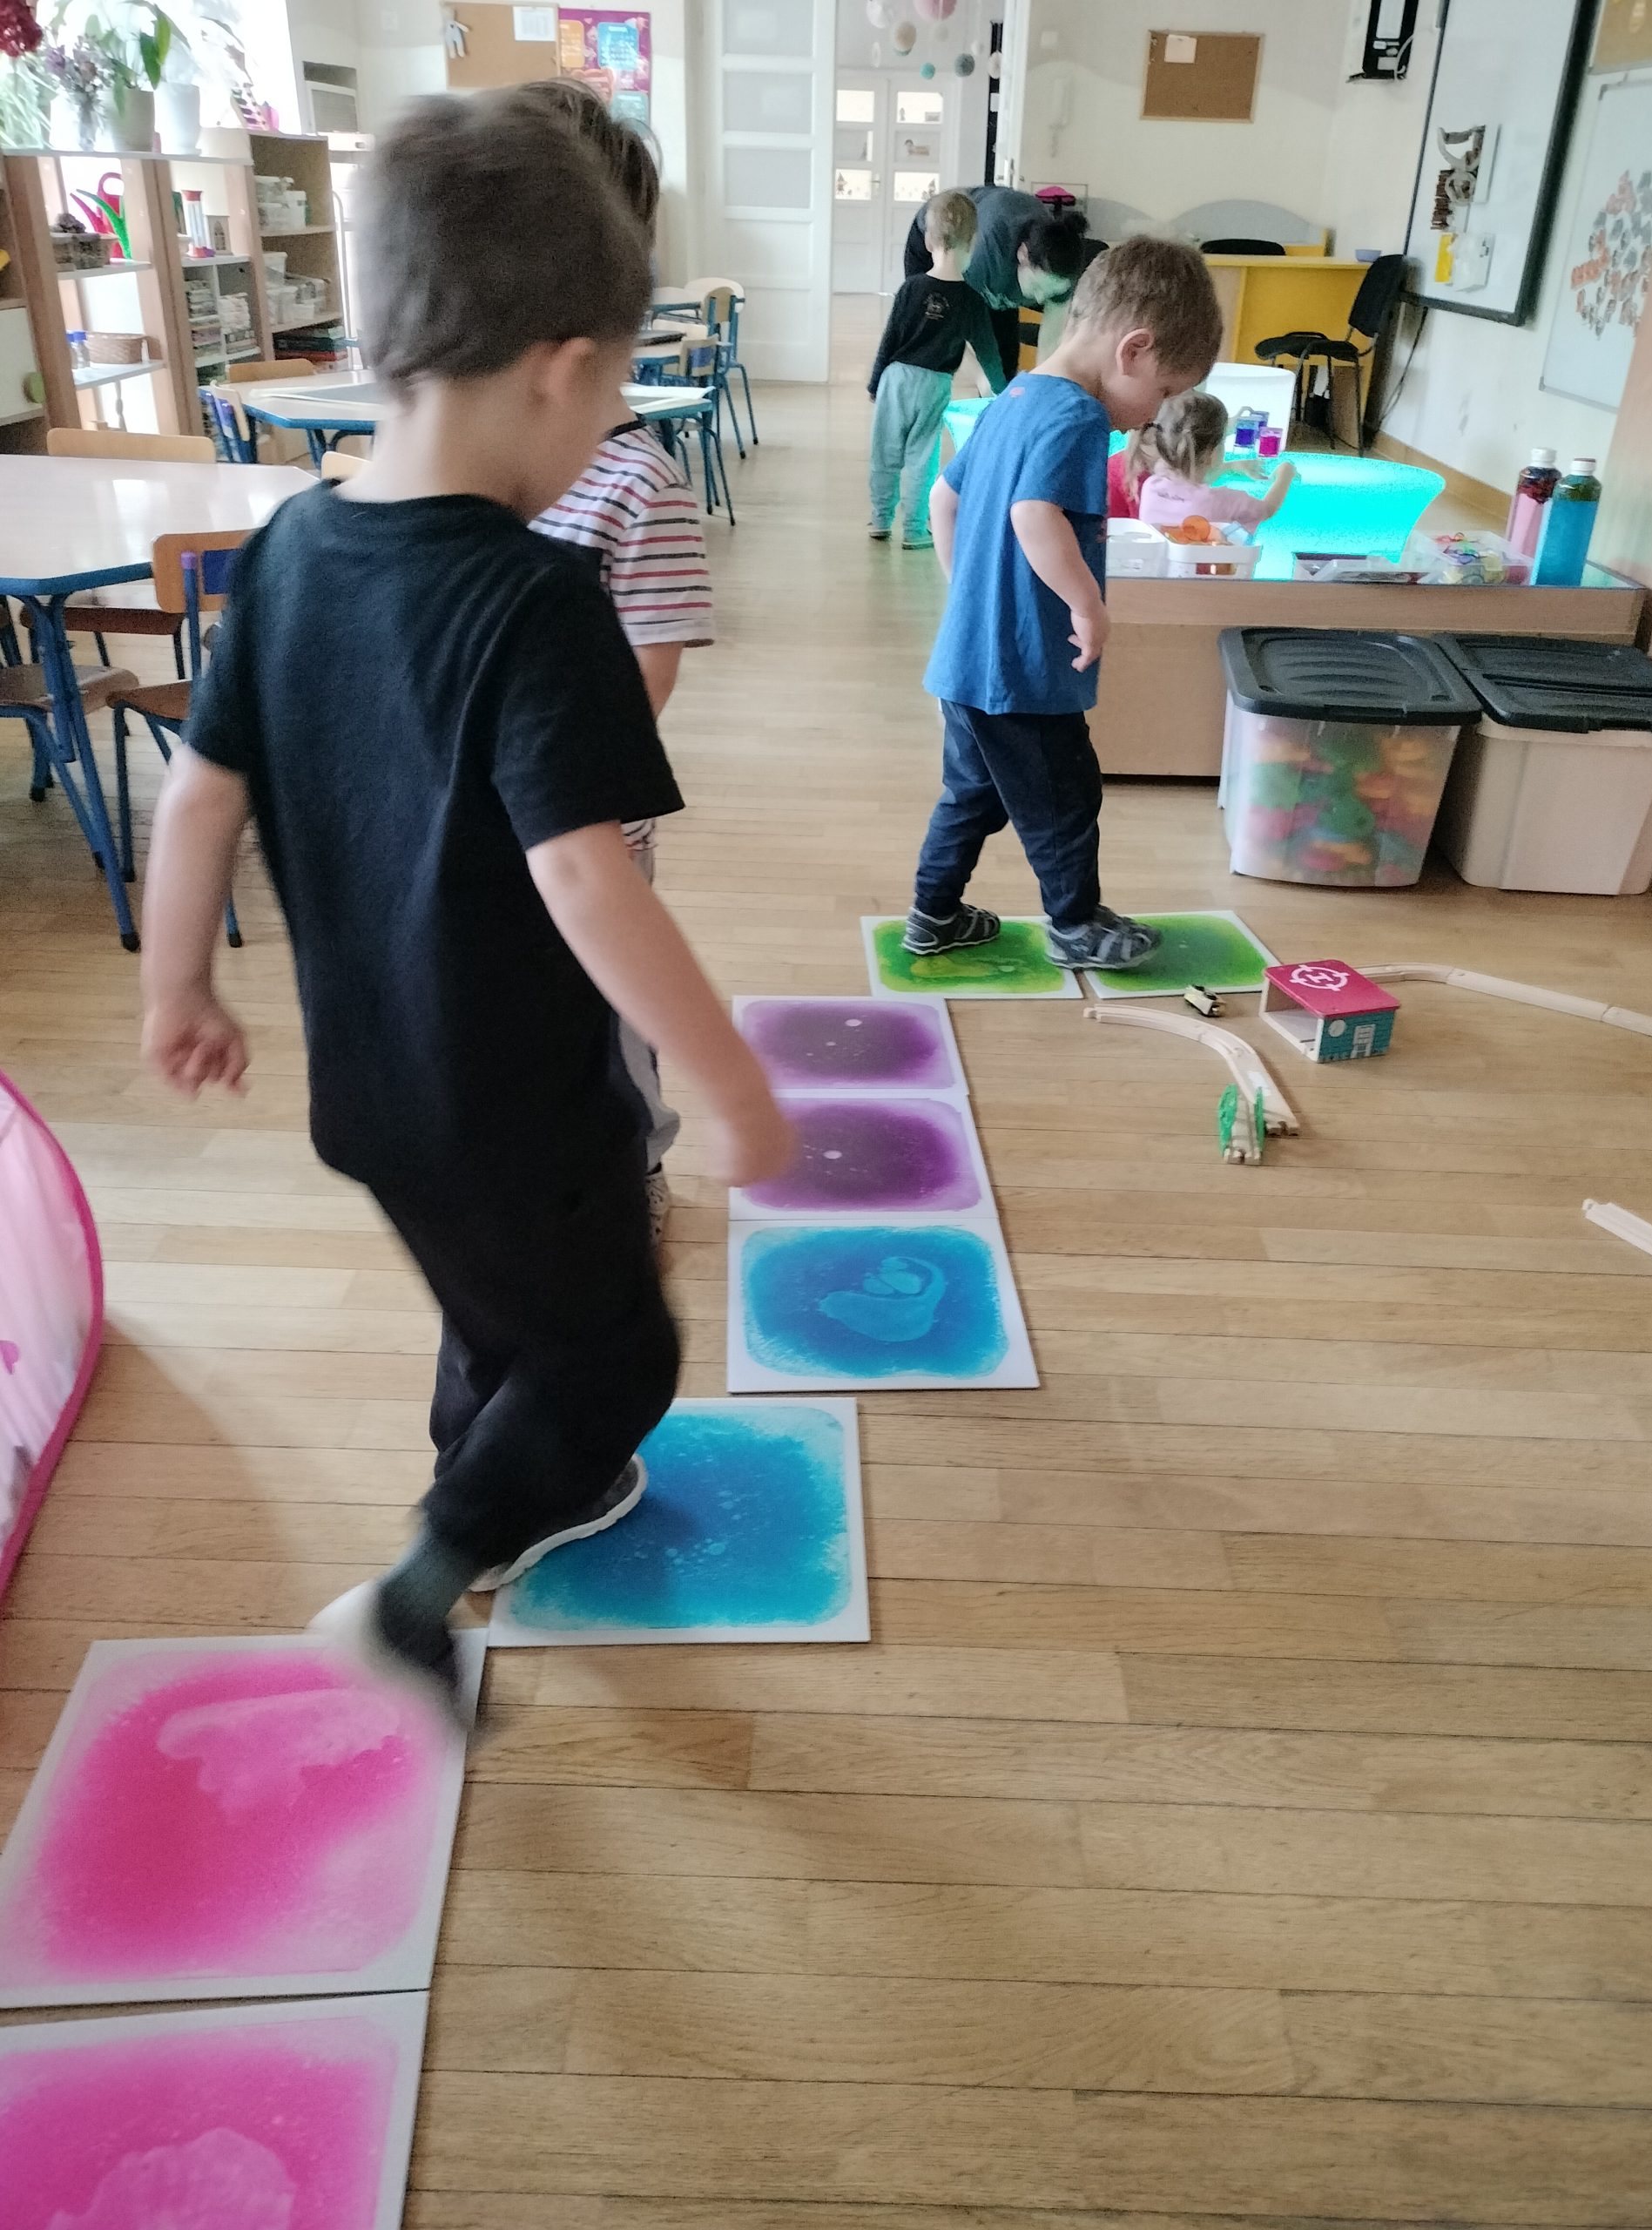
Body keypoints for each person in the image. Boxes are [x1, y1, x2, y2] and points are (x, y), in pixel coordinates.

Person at [138, 86, 792, 1720]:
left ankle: (489, 1471)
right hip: (523, 1105)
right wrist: (728, 1082)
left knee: (492, 1306)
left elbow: (198, 795)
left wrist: (176, 988)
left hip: (367, 1095)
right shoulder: (537, 599)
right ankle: (423, 1585)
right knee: (616, 1355)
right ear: (561, 370)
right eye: (616, 388)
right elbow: (585, 874)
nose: (611, 426)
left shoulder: (288, 550)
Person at [901, 237, 1222, 972]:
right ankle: (1074, 924)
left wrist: (968, 592)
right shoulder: (1078, 416)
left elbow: (943, 498)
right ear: (1133, 350)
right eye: (1166, 391)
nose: (1154, 416)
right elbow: (1033, 513)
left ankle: (933, 915)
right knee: (1065, 799)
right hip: (1025, 670)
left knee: (972, 795)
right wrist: (1087, 604)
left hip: (967, 659)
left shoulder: (1012, 398)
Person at [525, 80, 714, 1248]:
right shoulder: (465, 471)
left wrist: (562, 795)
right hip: (481, 833)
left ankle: (637, 1156)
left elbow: (647, 673)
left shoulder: (638, 481)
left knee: (609, 997)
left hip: (589, 814)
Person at [867, 189, 1004, 549]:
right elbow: (988, 350)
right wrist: (1002, 390)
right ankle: (914, 530)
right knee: (921, 458)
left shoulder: (910, 288)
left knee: (884, 453)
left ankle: (880, 520)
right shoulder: (972, 299)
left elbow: (890, 338)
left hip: (896, 379)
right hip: (934, 384)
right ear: (972, 243)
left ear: (928, 241)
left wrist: (875, 382)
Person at [904, 184, 1088, 385]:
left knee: (1003, 370)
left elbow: (1050, 340)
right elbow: (946, 327)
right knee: (930, 342)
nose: (1039, 299)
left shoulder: (1061, 271)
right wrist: (981, 377)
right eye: (1037, 288)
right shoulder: (979, 257)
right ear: (1023, 255)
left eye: (1050, 293)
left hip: (1000, 267)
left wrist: (1040, 386)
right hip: (937, 237)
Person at [1135, 389, 1297, 532]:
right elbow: (1267, 509)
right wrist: (1286, 474)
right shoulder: (1222, 501)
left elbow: (1188, 483)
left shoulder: (1151, 485)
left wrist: (1230, 466)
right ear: (1211, 454)